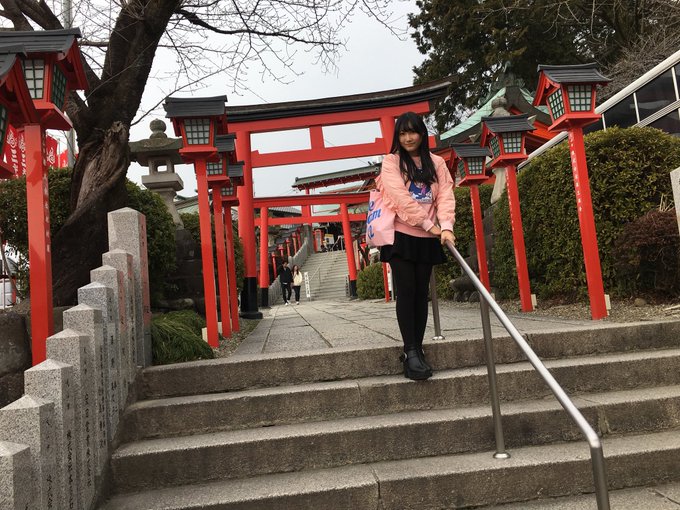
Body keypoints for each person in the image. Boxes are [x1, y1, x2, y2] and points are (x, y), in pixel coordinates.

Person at [377, 111, 456, 381]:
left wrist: (446, 226)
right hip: (401, 234)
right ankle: (409, 350)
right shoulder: (392, 162)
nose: (408, 138)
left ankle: (418, 348)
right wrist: (427, 224)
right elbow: (399, 197)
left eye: (413, 132)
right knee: (407, 291)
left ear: (423, 134)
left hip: (428, 237)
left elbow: (445, 195)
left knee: (421, 294)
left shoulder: (436, 163)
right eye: (402, 133)